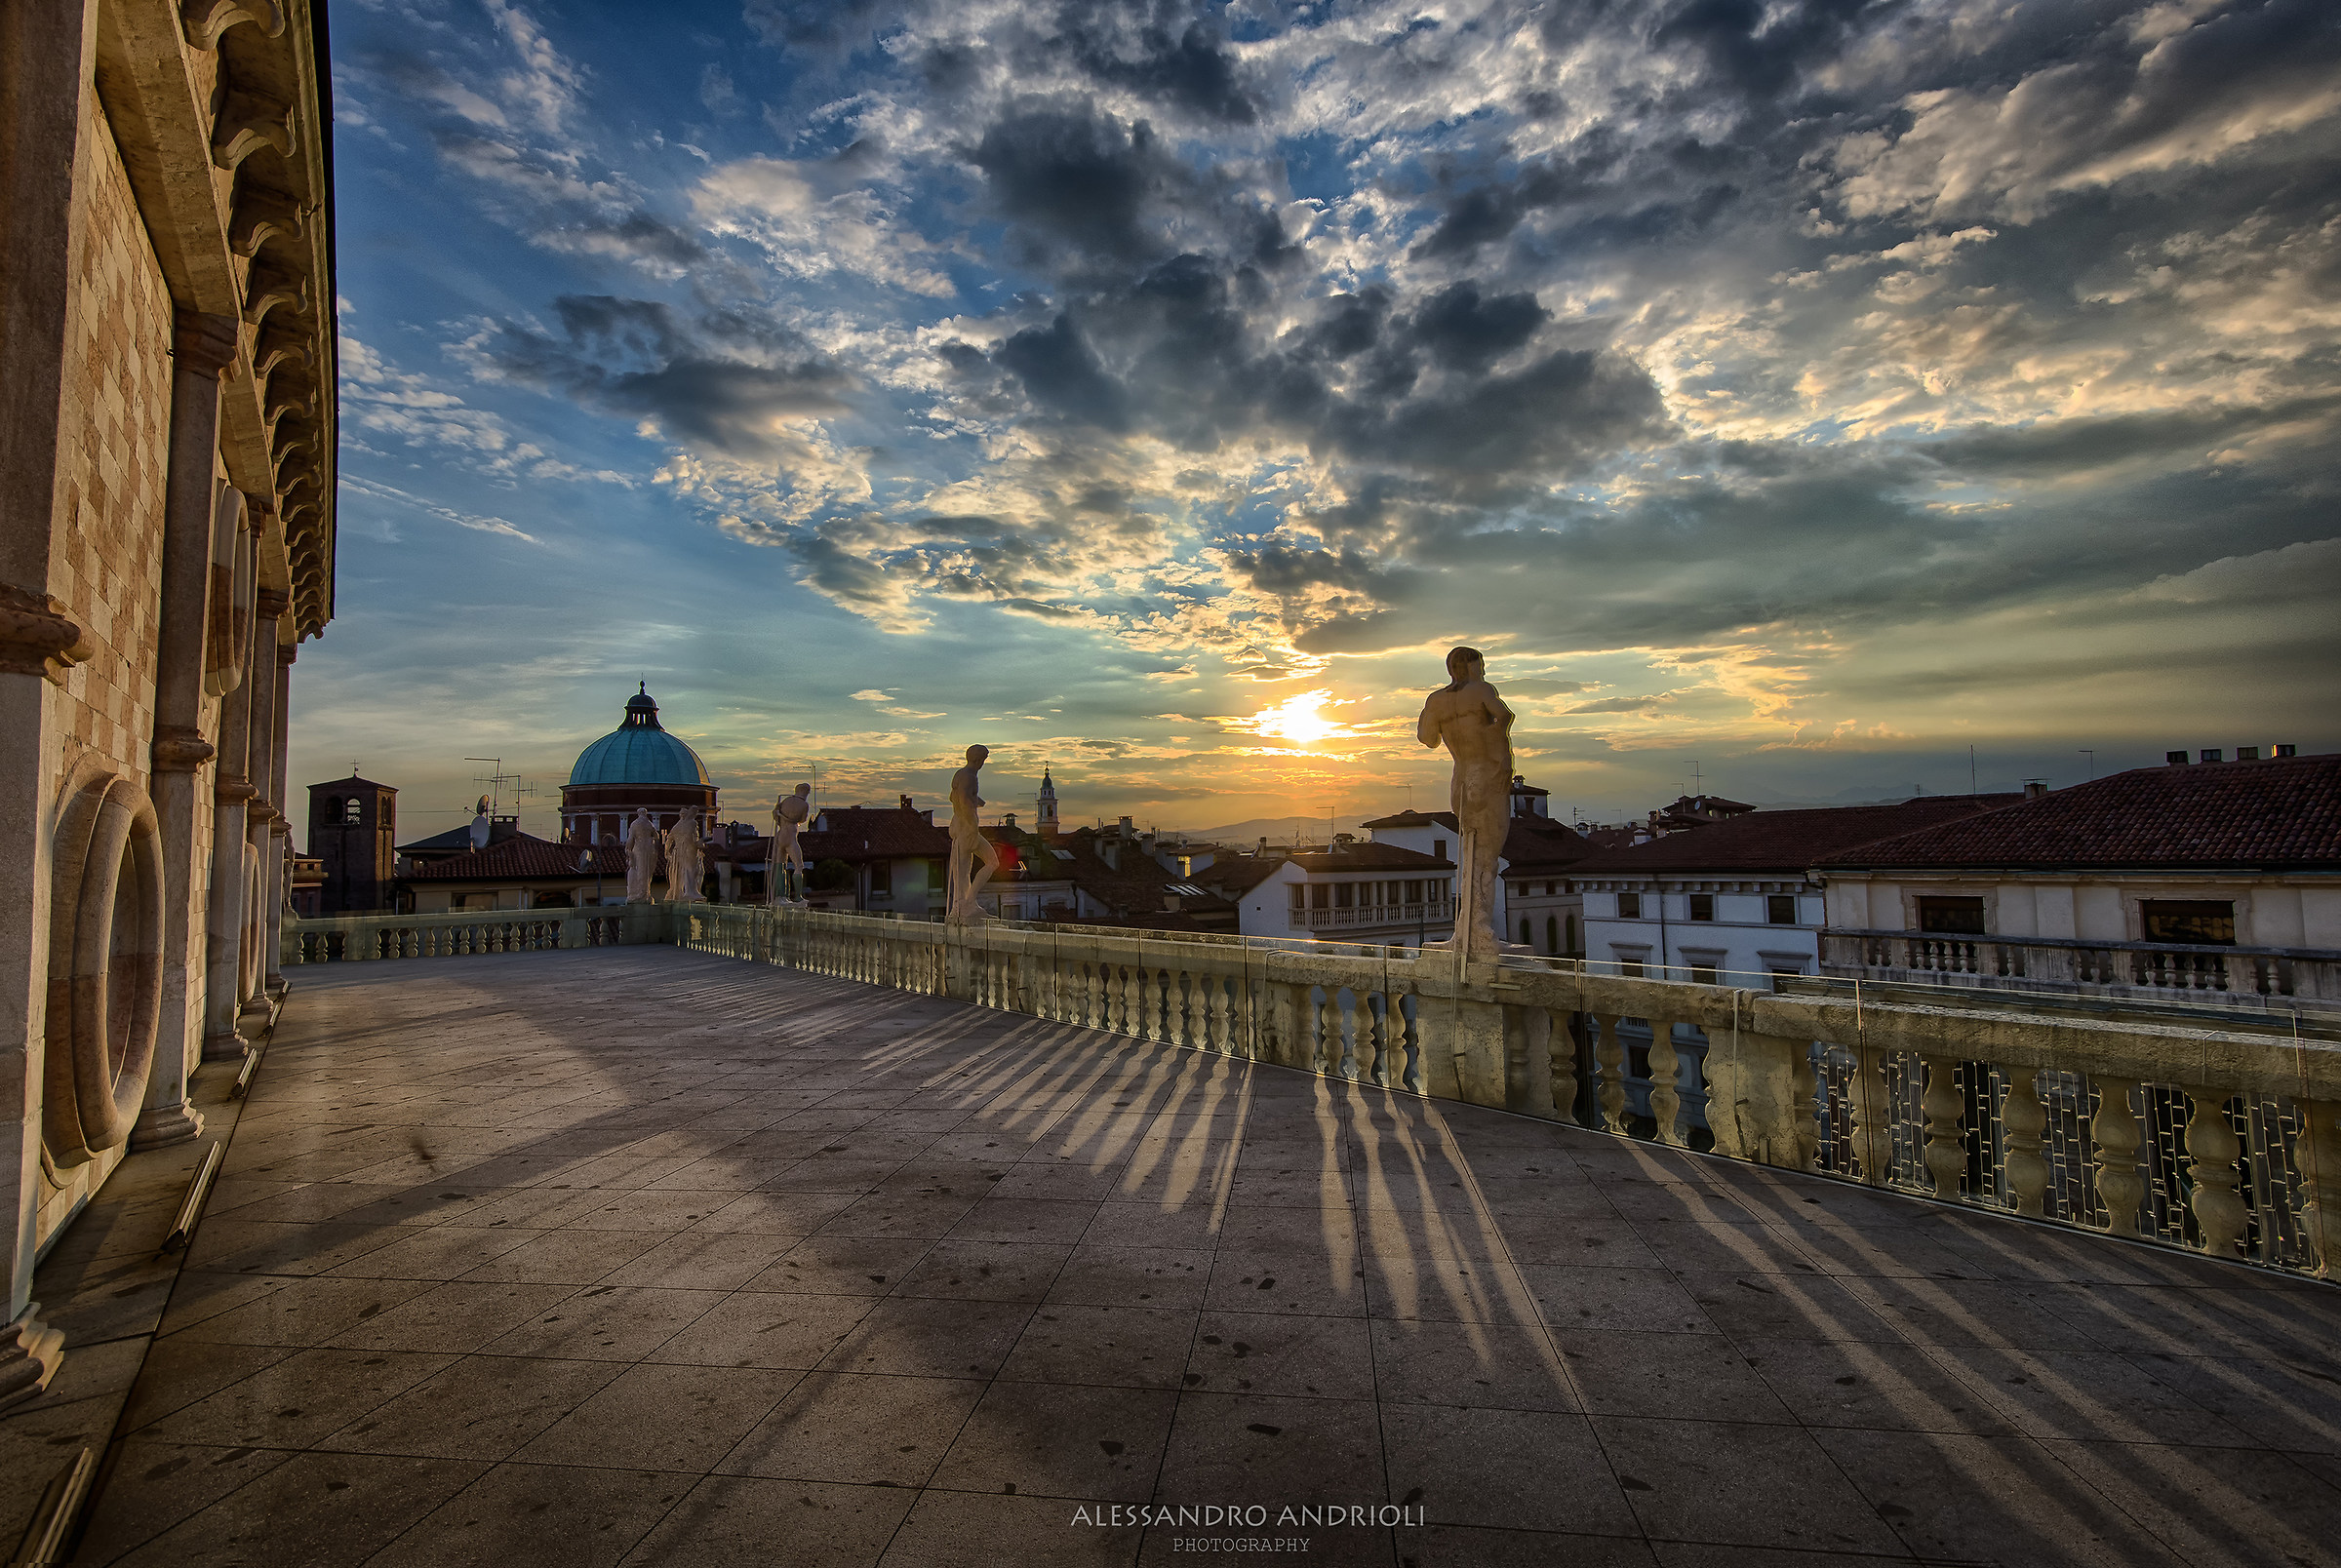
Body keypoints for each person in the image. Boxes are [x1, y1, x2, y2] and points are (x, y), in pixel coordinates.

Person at [1415, 646, 1516, 960]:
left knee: (1469, 852)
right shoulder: (1481, 690)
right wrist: (1499, 754)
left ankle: (1466, 928)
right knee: (1488, 854)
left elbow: (1426, 738)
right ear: (1469, 665)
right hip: (1486, 775)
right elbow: (1504, 716)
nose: (1483, 671)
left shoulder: (1436, 700)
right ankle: (1479, 928)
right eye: (1480, 664)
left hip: (1460, 779)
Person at [946, 745, 1003, 923]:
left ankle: (962, 906)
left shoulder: (959, 774)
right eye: (984, 760)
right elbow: (963, 801)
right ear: (979, 759)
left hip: (958, 829)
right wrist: (973, 827)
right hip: (967, 830)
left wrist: (976, 800)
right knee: (992, 862)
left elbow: (953, 797)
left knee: (961, 873)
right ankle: (969, 903)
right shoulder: (971, 777)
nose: (983, 763)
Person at [771, 783, 811, 904]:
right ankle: (798, 896)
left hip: (781, 835)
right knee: (799, 866)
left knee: (780, 864)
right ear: (805, 792)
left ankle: (780, 896)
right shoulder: (804, 805)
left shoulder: (785, 801)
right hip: (791, 837)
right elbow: (802, 820)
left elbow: (776, 816)